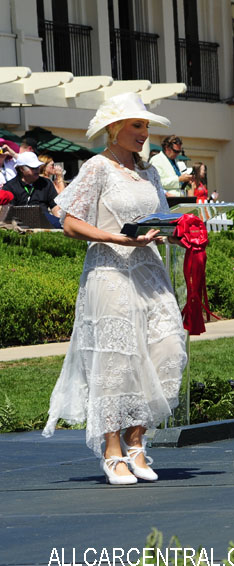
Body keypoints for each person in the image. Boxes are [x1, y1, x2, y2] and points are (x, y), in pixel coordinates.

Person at [43, 91, 188, 485]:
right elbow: (70, 222)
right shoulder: (97, 167)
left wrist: (177, 233)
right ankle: (113, 451)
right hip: (109, 271)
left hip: (149, 270)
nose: (144, 133)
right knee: (117, 361)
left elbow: (160, 219)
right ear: (114, 129)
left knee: (168, 348)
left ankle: (136, 440)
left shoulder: (150, 172)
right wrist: (116, 238)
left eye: (145, 126)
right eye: (136, 125)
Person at [2, 151, 61, 219]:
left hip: (45, 222)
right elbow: (7, 213)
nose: (37, 170)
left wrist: (59, 222)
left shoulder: (46, 183)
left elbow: (55, 206)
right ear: (21, 169)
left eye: (38, 167)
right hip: (20, 223)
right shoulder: (10, 187)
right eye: (33, 168)